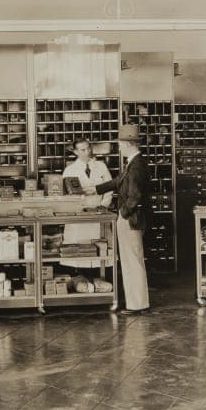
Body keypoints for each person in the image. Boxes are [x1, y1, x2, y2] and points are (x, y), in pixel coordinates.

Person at [87, 124, 151, 315]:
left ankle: (138, 305)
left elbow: (135, 196)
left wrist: (123, 214)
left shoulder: (136, 165)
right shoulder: (134, 162)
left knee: (133, 260)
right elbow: (118, 181)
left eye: (121, 144)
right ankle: (136, 302)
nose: (119, 147)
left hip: (131, 219)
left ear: (128, 144)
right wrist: (96, 189)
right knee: (131, 259)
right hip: (132, 218)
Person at [62, 137, 113, 207]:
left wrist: (103, 205)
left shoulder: (101, 166)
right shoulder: (69, 170)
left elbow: (109, 188)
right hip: (79, 210)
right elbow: (66, 194)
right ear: (76, 152)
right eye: (83, 150)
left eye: (88, 148)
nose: (88, 152)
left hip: (100, 209)